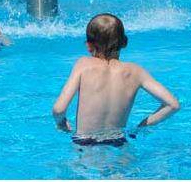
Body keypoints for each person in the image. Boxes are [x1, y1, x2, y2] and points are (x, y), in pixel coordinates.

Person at [52, 13, 180, 147]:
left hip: (84, 144)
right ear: (124, 42)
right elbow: (173, 105)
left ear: (89, 46)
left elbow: (59, 110)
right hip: (119, 144)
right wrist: (140, 127)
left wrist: (61, 123)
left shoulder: (83, 64)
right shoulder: (136, 71)